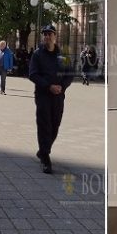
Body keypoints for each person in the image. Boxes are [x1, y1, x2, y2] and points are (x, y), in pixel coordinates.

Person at [29, 25, 73, 174]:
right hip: (43, 95)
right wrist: (48, 86)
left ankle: (43, 150)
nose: (47, 36)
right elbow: (33, 74)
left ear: (55, 36)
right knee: (44, 124)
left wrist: (62, 87)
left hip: (58, 96)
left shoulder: (63, 55)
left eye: (50, 34)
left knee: (55, 124)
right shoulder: (37, 54)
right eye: (45, 34)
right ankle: (45, 157)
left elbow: (69, 74)